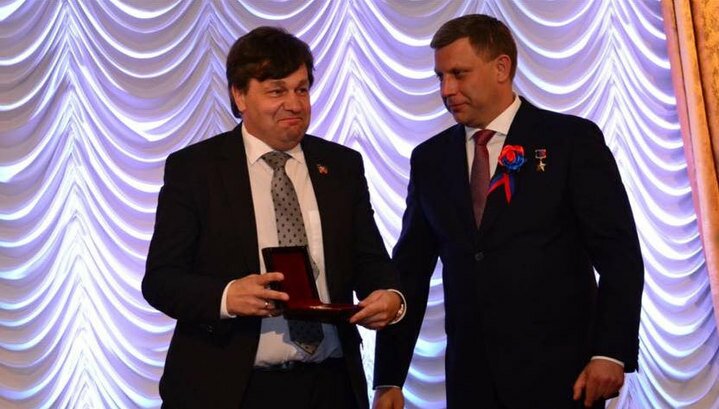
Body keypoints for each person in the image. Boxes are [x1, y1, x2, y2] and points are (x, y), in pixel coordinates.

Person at [372, 14, 643, 409]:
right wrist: (389, 378)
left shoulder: (570, 141)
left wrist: (610, 352)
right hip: (471, 382)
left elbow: (619, 256)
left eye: (459, 74)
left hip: (563, 378)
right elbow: (410, 272)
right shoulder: (430, 159)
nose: (446, 89)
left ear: (501, 68)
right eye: (440, 77)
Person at [142, 26, 404, 409]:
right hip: (230, 389)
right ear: (240, 96)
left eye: (302, 89)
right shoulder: (196, 170)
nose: (295, 104)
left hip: (331, 386)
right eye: (277, 91)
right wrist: (227, 296)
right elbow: (161, 280)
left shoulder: (342, 166)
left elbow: (370, 261)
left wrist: (391, 298)